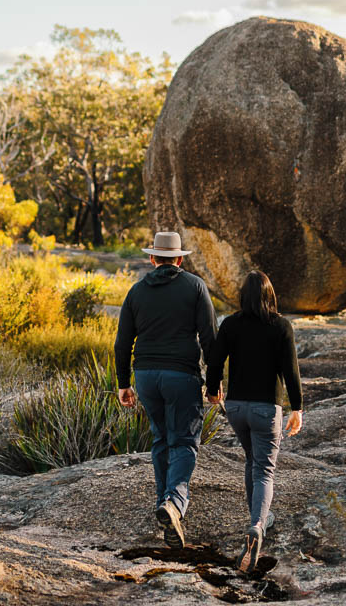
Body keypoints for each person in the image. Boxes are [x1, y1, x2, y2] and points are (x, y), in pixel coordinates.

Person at [114, 230, 218, 549]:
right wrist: (214, 384)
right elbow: (210, 338)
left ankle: (164, 504)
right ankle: (173, 503)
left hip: (145, 375)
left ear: (152, 258)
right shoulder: (195, 287)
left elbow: (121, 344)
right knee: (184, 441)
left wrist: (123, 384)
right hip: (181, 375)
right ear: (180, 258)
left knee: (160, 438)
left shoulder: (136, 291)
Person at [205, 270, 303, 573]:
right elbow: (291, 370)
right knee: (264, 469)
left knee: (251, 460)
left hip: (235, 408)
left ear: (242, 296)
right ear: (269, 295)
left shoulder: (231, 324)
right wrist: (297, 408)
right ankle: (258, 525)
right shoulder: (281, 326)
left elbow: (215, 360)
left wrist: (212, 389)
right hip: (265, 409)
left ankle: (256, 519)